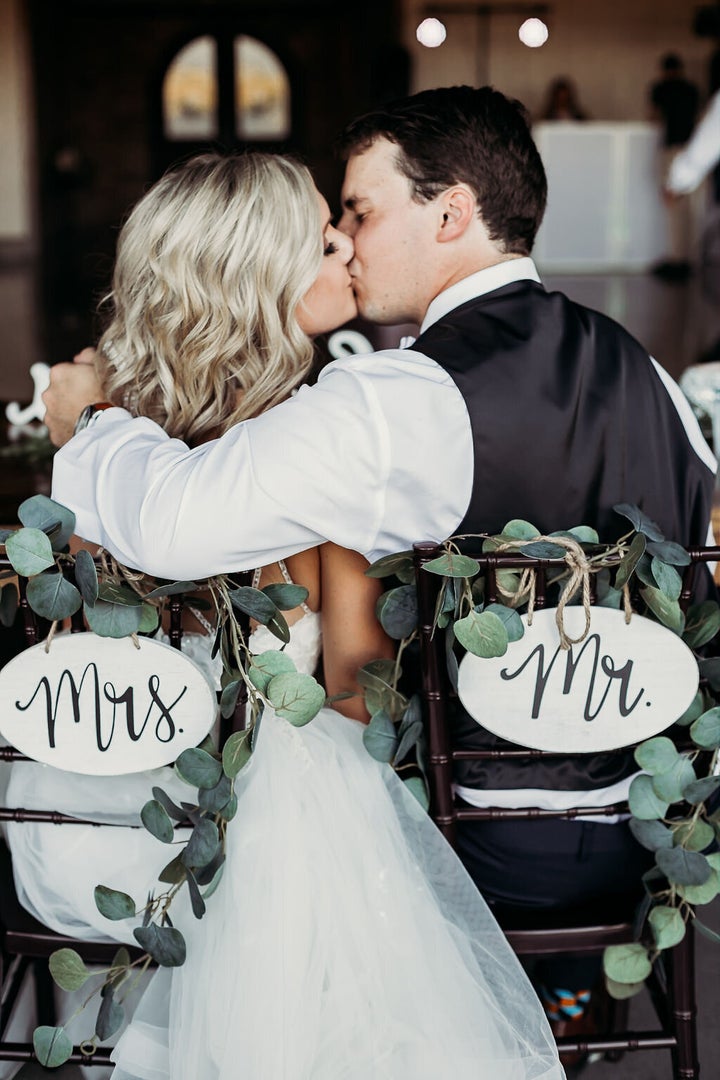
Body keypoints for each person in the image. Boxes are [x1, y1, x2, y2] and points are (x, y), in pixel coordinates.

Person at [43, 84, 716, 1040]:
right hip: (650, 833)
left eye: (359, 211)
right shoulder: (644, 368)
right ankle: (559, 991)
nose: (348, 241)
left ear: (449, 213)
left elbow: (173, 522)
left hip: (472, 841)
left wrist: (93, 421)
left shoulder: (395, 399)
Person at [14, 151, 563, 1079]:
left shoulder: (106, 437)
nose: (347, 243)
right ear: (257, 275)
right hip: (256, 839)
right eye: (321, 237)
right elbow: (353, 685)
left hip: (93, 821)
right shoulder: (310, 451)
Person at [649, 53, 701, 280]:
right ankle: (685, 256)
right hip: (690, 149)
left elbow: (654, 116)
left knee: (674, 205)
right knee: (686, 208)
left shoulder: (661, 89)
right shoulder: (692, 90)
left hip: (672, 149)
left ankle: (678, 259)